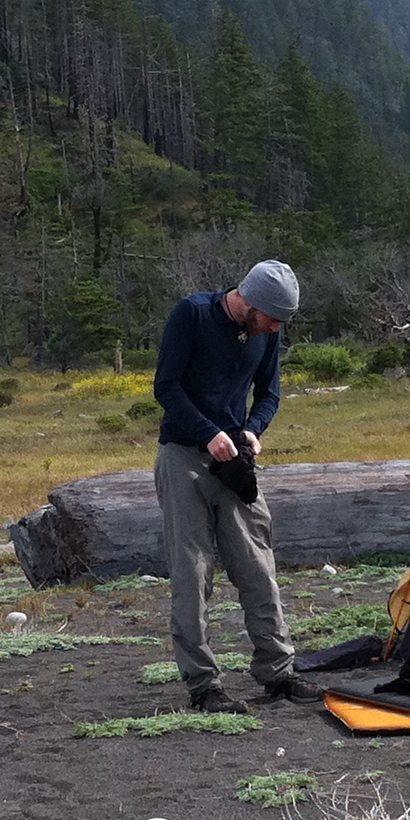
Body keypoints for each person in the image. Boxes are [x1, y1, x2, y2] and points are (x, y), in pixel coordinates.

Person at [151, 260, 314, 712]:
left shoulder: (267, 332)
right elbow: (166, 387)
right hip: (184, 455)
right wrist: (208, 433)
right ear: (249, 302)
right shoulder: (192, 314)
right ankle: (203, 685)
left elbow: (269, 393)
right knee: (192, 573)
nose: (275, 328)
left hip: (235, 463)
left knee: (258, 566)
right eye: (272, 318)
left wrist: (253, 430)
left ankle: (277, 672)